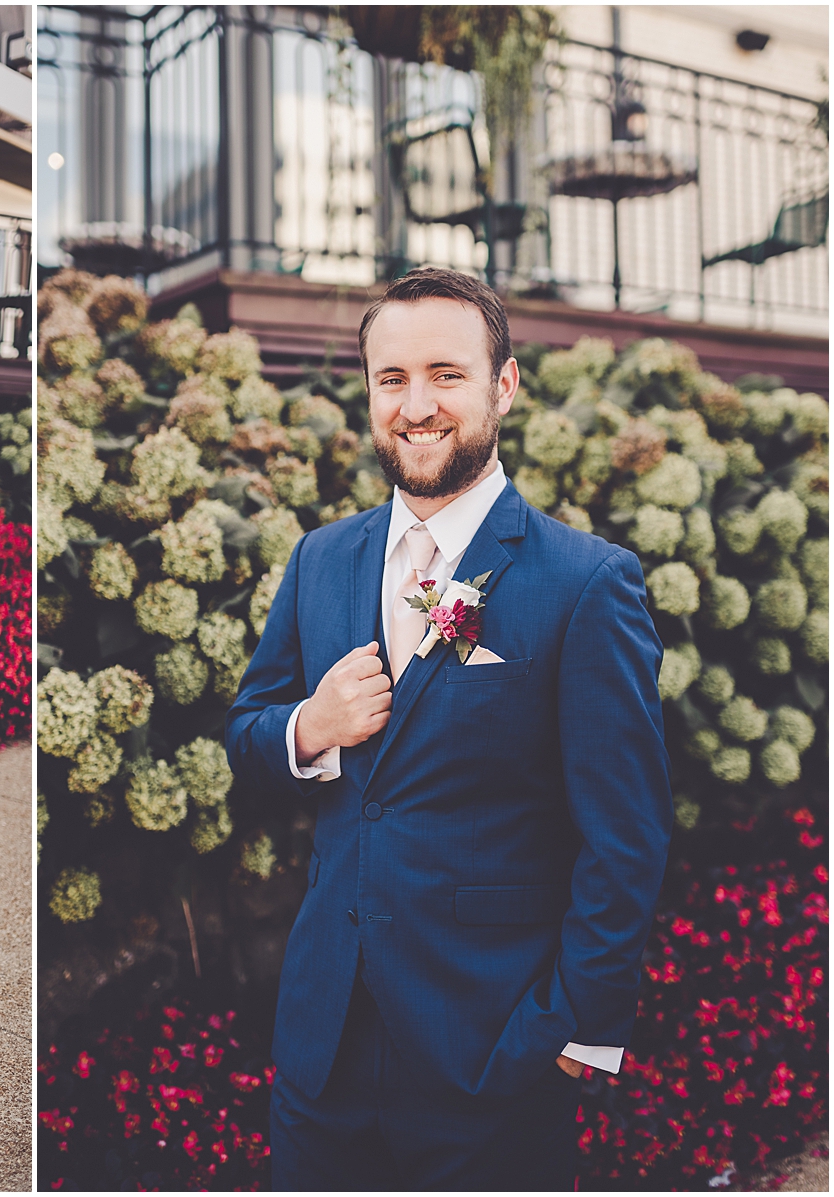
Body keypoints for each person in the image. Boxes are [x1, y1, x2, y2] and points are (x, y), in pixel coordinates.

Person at [225, 267, 671, 1189]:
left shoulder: (587, 583)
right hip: (323, 1051)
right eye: (391, 379)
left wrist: (575, 1031)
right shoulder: (320, 559)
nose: (416, 405)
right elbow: (246, 739)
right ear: (368, 393)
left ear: (502, 386)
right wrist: (309, 726)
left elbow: (624, 837)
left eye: (446, 374)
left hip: (494, 1053)